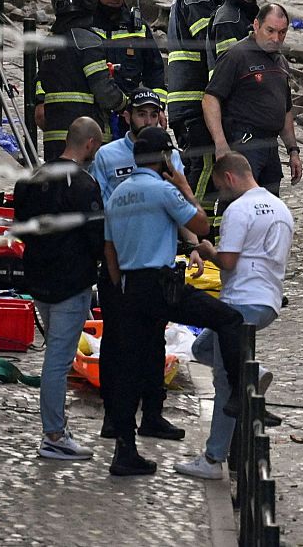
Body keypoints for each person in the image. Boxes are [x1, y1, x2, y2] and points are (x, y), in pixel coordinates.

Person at [103, 125, 243, 476]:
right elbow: (201, 225)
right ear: (165, 157)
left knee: (130, 367)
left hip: (130, 287)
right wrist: (184, 187)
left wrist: (121, 285)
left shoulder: (118, 194)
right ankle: (240, 393)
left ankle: (125, 450)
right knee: (228, 319)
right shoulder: (163, 190)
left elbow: (109, 249)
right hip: (161, 284)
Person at [175, 152, 292, 481]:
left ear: (228, 177)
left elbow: (227, 261)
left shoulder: (238, 209)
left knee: (226, 385)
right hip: (267, 301)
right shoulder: (280, 207)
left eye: (218, 186)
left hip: (240, 302)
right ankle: (254, 371)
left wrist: (207, 250)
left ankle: (213, 459)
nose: (220, 194)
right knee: (201, 349)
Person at [89, 89, 188, 442]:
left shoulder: (169, 156)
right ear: (128, 116)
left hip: (157, 261)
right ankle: (114, 417)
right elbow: (100, 209)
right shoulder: (108, 155)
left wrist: (190, 246)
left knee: (154, 341)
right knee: (116, 340)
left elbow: (181, 204)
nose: (147, 120)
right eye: (141, 113)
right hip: (120, 260)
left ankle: (153, 413)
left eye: (153, 114)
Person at [12, 117, 105, 461]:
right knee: (57, 360)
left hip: (39, 279)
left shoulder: (32, 178)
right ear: (90, 145)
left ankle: (56, 430)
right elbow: (97, 237)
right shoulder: (84, 184)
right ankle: (53, 435)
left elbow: (21, 227)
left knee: (55, 351)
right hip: (71, 282)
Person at [202, 3, 303, 197]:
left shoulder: (281, 62)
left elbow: (285, 110)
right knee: (239, 206)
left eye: (282, 32)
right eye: (270, 31)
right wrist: (221, 144)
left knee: (268, 208)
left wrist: (293, 150)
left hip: (270, 147)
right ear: (256, 25)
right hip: (244, 145)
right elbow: (210, 99)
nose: (276, 39)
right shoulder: (236, 56)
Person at [168, 0, 239, 207]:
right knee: (202, 169)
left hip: (195, 100)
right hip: (192, 101)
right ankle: (191, 231)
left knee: (206, 173)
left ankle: (203, 234)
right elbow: (211, 35)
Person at [38, 0, 128, 161]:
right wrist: (125, 104)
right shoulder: (88, 41)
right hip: (86, 138)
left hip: (54, 138)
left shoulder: (47, 43)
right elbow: (104, 91)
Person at [90, 0, 165, 110]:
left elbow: (155, 72)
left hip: (129, 112)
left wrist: (158, 107)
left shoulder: (138, 28)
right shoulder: (85, 25)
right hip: (92, 111)